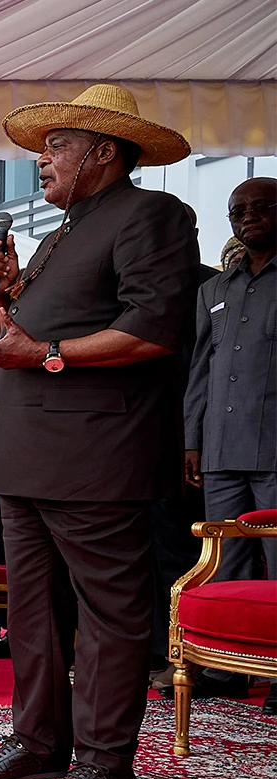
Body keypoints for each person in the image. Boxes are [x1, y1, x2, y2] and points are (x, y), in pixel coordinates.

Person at [0, 85, 201, 779]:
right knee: (30, 609)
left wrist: (51, 354)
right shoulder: (61, 233)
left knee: (108, 612)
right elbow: (27, 339)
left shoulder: (152, 214)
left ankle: (105, 761)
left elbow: (154, 328)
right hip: (27, 450)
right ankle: (37, 739)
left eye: (57, 145)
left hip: (97, 453)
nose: (42, 159)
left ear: (103, 153)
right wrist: (11, 295)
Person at [186, 177, 277, 584]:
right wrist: (192, 440)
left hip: (273, 449)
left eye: (261, 207)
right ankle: (230, 648)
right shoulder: (213, 289)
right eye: (238, 212)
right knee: (225, 569)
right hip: (220, 452)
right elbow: (202, 367)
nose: (249, 217)